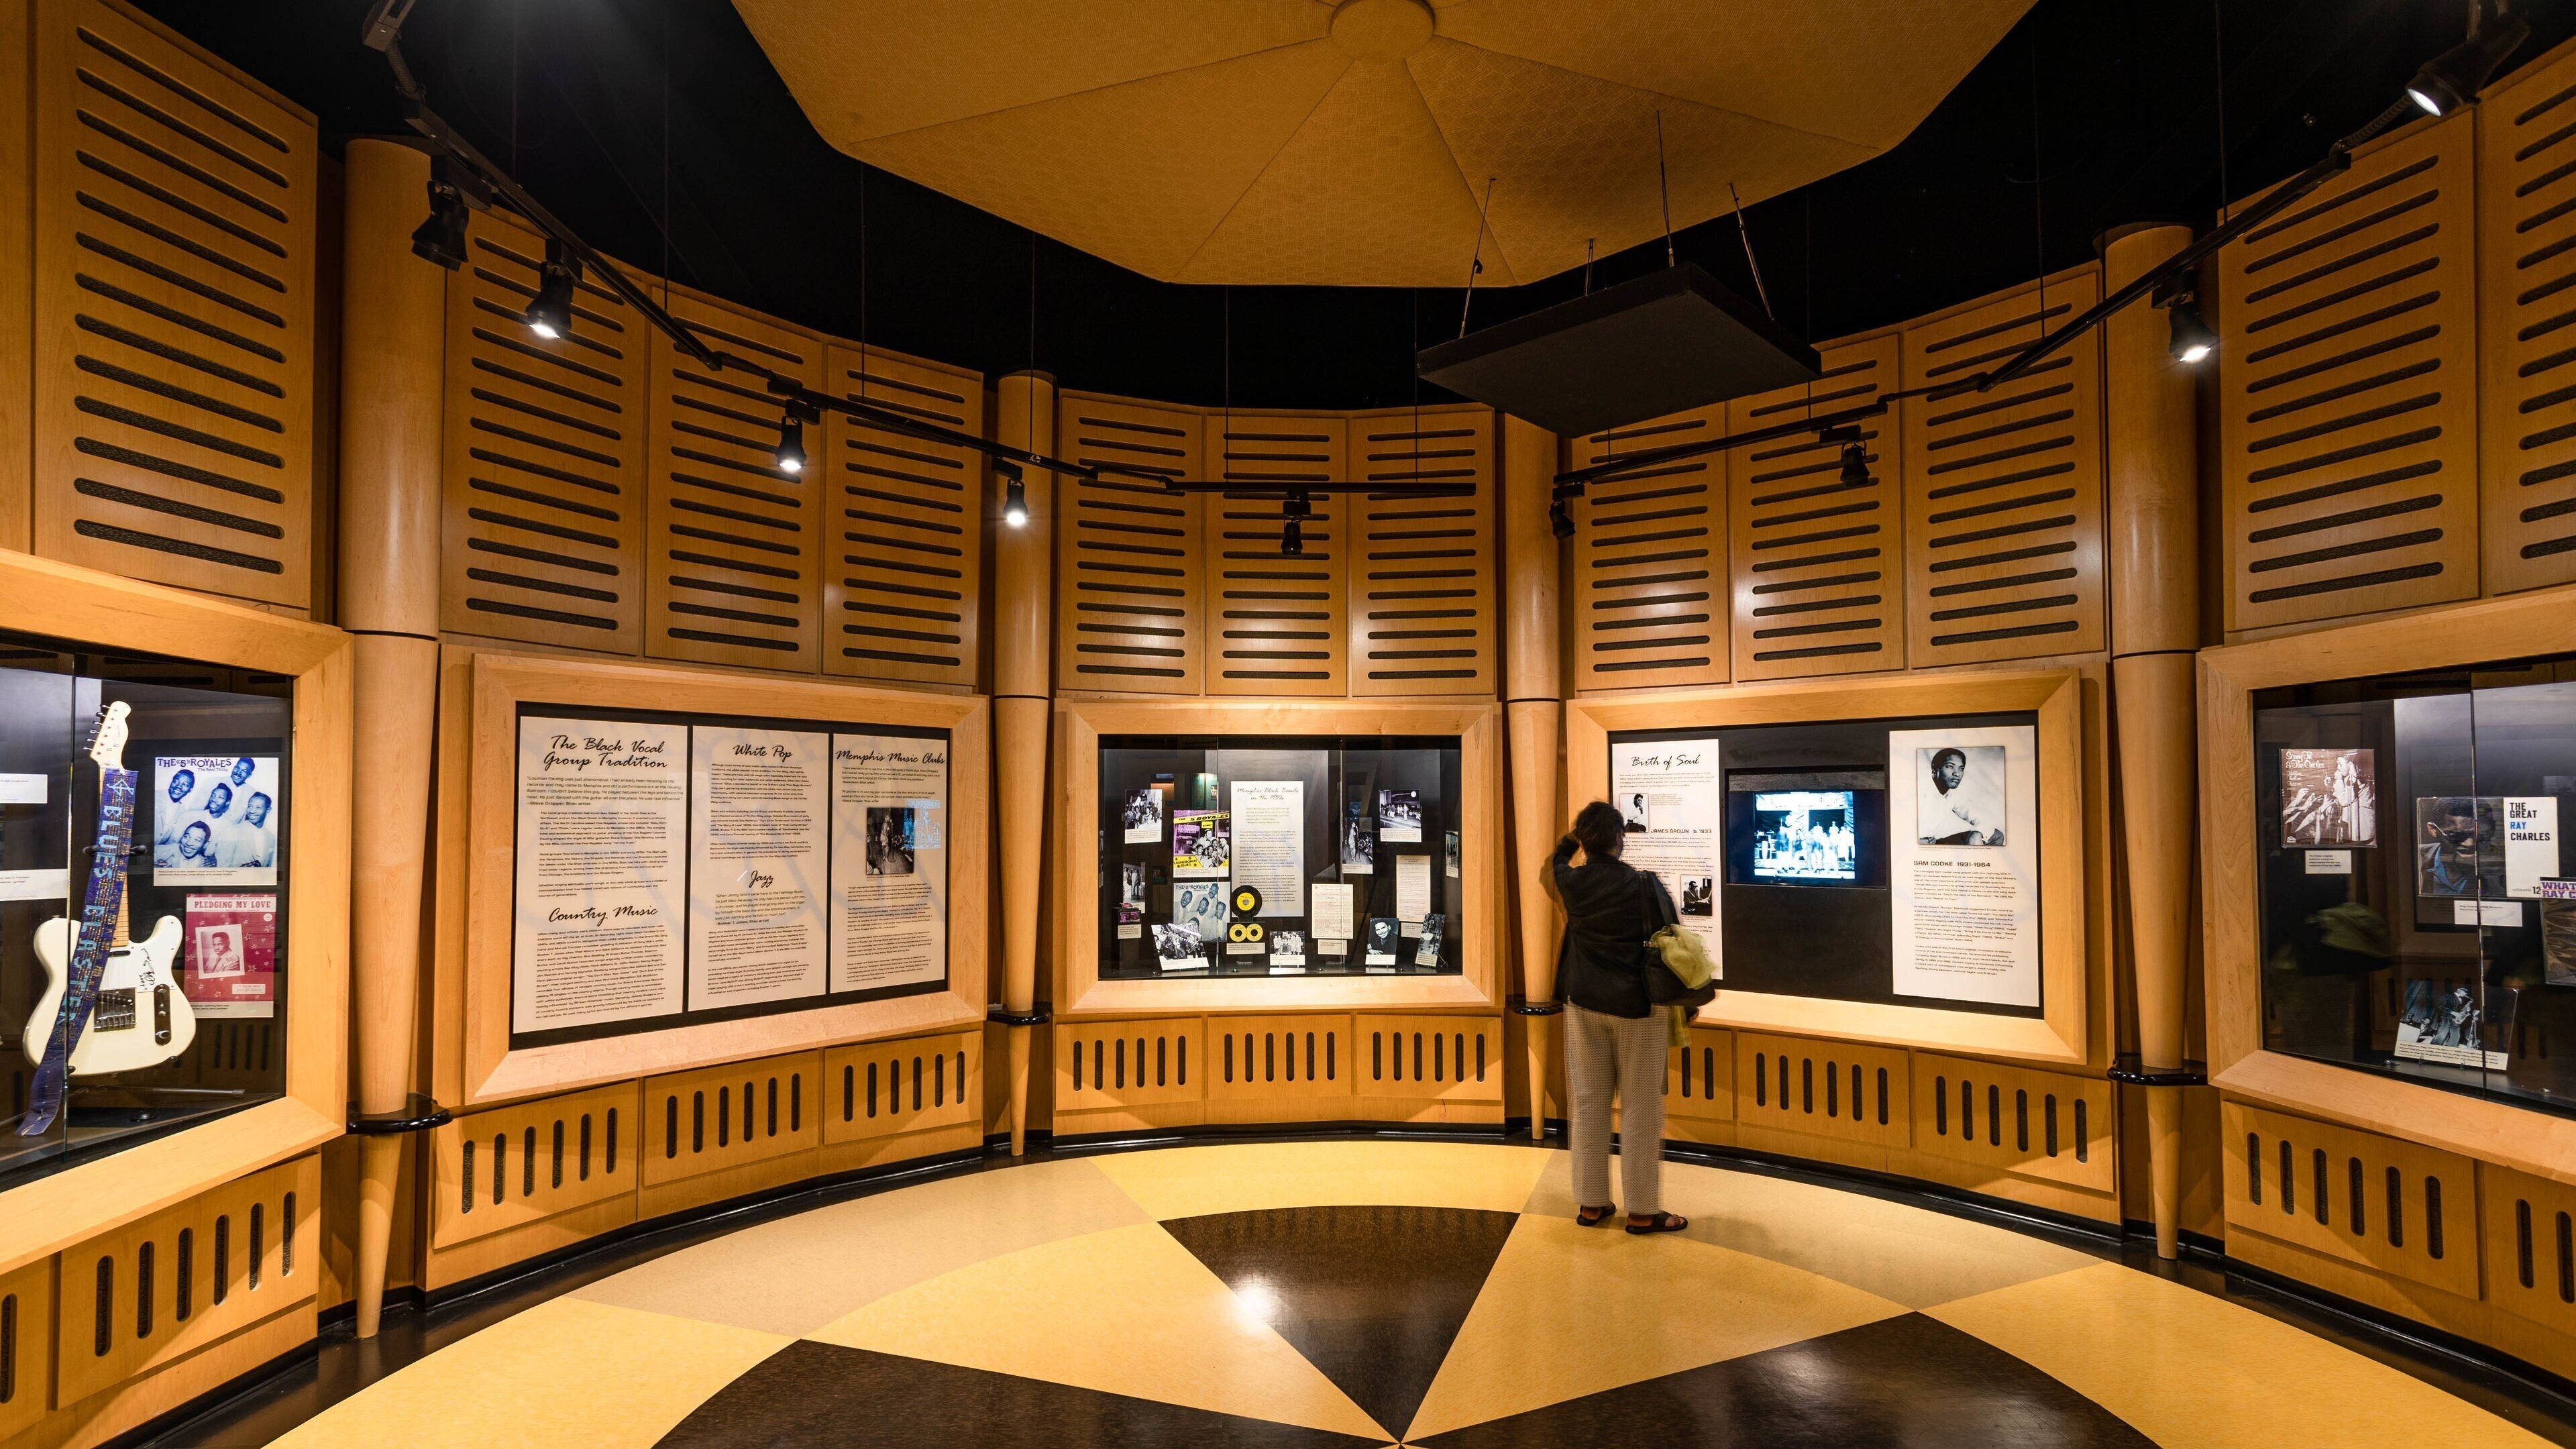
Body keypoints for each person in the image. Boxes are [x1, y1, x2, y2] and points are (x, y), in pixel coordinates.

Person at [1539, 800, 1685, 1235]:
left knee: (1587, 1102)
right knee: (1641, 1107)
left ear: (1586, 841)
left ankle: (1591, 1203)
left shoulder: (1571, 882)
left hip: (1583, 1001)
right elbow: (1674, 940)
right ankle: (1642, 1210)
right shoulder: (1643, 886)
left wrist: (1573, 839)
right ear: (1621, 839)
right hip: (1639, 1008)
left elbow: (1552, 863)